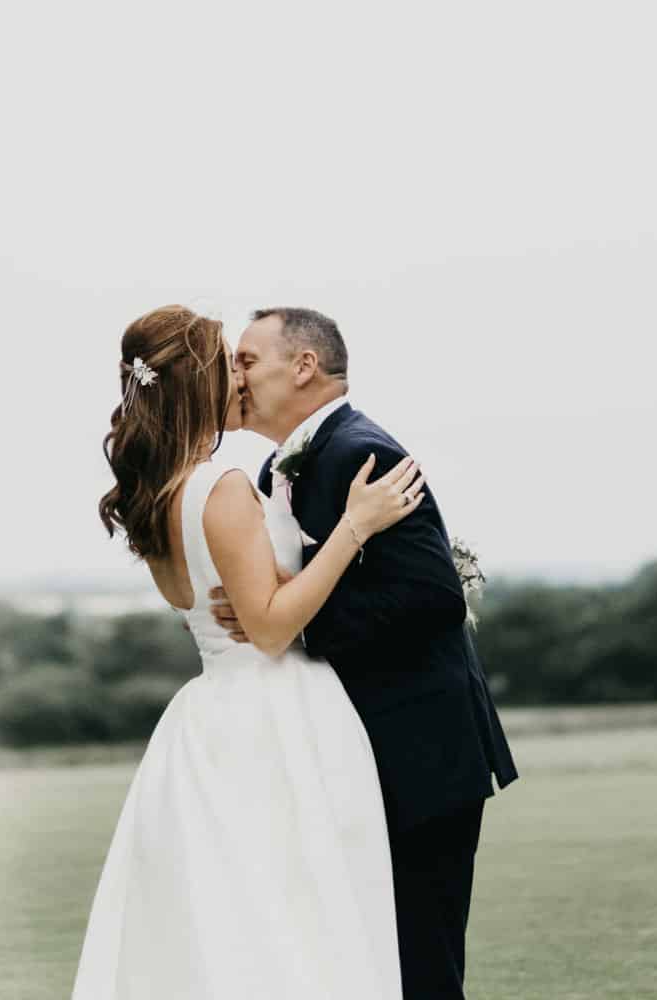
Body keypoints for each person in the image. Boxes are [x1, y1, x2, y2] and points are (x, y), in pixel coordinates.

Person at [73, 304, 424, 999]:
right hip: (274, 716)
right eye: (228, 361)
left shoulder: (156, 494)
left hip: (208, 719)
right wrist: (355, 527)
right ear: (199, 382)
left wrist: (279, 586)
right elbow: (266, 629)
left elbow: (213, 606)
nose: (239, 373)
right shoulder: (219, 486)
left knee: (233, 914)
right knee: (296, 915)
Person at [213, 307, 518, 999]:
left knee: (421, 966)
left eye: (247, 360)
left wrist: (291, 620)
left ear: (304, 366)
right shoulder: (278, 465)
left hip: (418, 751)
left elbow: (433, 596)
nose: (235, 376)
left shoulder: (360, 452)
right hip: (349, 749)